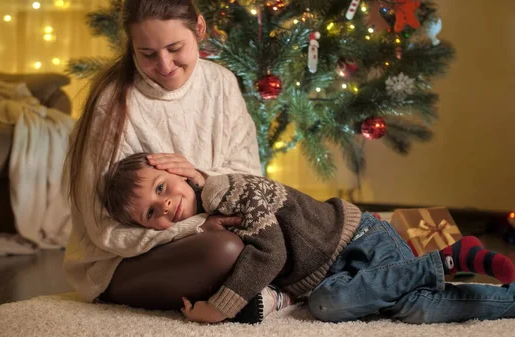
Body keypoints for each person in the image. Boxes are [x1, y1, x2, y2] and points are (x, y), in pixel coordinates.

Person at [104, 152, 515, 324]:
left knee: (326, 305)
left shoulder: (229, 192)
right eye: (150, 215)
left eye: (161, 188)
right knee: (414, 310)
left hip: (357, 239)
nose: (166, 207)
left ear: (176, 170)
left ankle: (442, 260)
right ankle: (506, 301)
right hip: (336, 268)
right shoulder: (208, 217)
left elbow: (271, 253)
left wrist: (219, 309)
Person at [63, 0, 262, 309]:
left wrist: (199, 176)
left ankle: (240, 293)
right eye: (148, 54)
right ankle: (244, 292)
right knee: (225, 250)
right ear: (132, 46)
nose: (165, 65)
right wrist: (194, 227)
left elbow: (252, 177)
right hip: (129, 261)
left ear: (199, 28)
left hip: (214, 231)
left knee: (271, 234)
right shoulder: (112, 105)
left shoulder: (221, 83)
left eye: (174, 48)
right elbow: (105, 233)